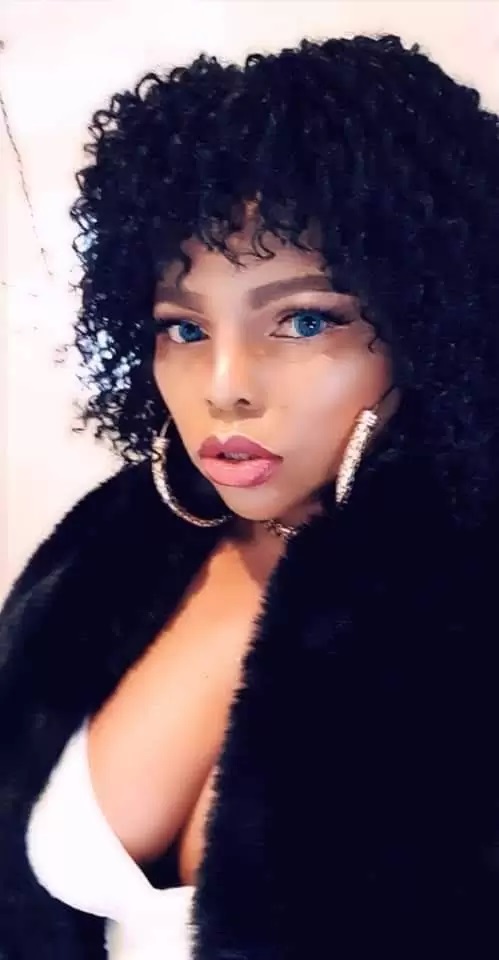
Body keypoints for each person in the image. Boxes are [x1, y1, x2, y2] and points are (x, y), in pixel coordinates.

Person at [1, 31, 499, 960]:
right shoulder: (113, 540)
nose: (224, 387)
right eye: (184, 328)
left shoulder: (470, 604)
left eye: (303, 320)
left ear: (430, 323)